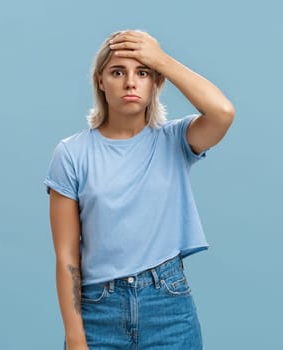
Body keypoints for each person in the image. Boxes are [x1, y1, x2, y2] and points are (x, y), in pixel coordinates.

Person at [44, 29, 234, 350]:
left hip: (168, 308)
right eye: (118, 72)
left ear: (155, 83)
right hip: (97, 310)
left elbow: (222, 112)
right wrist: (76, 338)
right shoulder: (71, 154)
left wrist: (161, 59)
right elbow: (66, 256)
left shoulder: (174, 140)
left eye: (142, 72)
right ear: (101, 81)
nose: (131, 82)